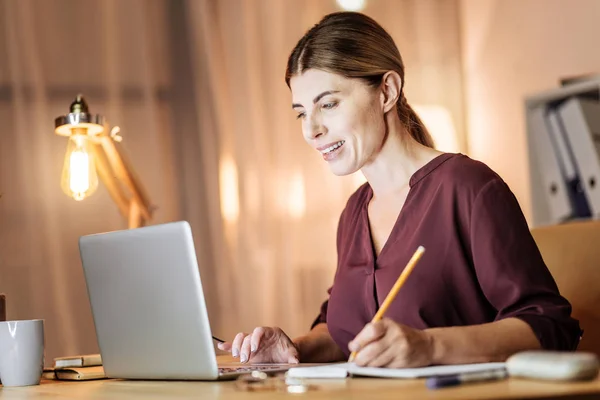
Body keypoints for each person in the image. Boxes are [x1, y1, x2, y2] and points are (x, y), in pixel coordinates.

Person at [217, 11, 581, 368]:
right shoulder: (354, 212)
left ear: (387, 91)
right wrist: (295, 347)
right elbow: (347, 335)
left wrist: (430, 346)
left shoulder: (468, 187)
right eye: (301, 112)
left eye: (328, 104)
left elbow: (550, 326)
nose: (311, 130)